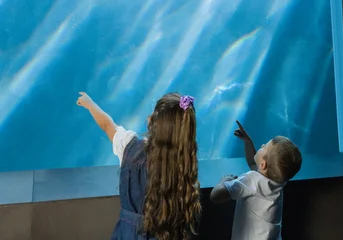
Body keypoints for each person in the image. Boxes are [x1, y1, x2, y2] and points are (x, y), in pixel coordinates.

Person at [76, 91, 201, 240]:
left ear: (154, 123)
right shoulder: (184, 166)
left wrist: (90, 104)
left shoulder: (130, 147)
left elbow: (107, 124)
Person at [210, 121, 302, 240]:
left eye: (264, 147)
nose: (262, 145)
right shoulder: (277, 182)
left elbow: (215, 196)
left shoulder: (250, 181)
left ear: (263, 164)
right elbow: (254, 164)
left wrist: (224, 181)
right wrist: (248, 142)